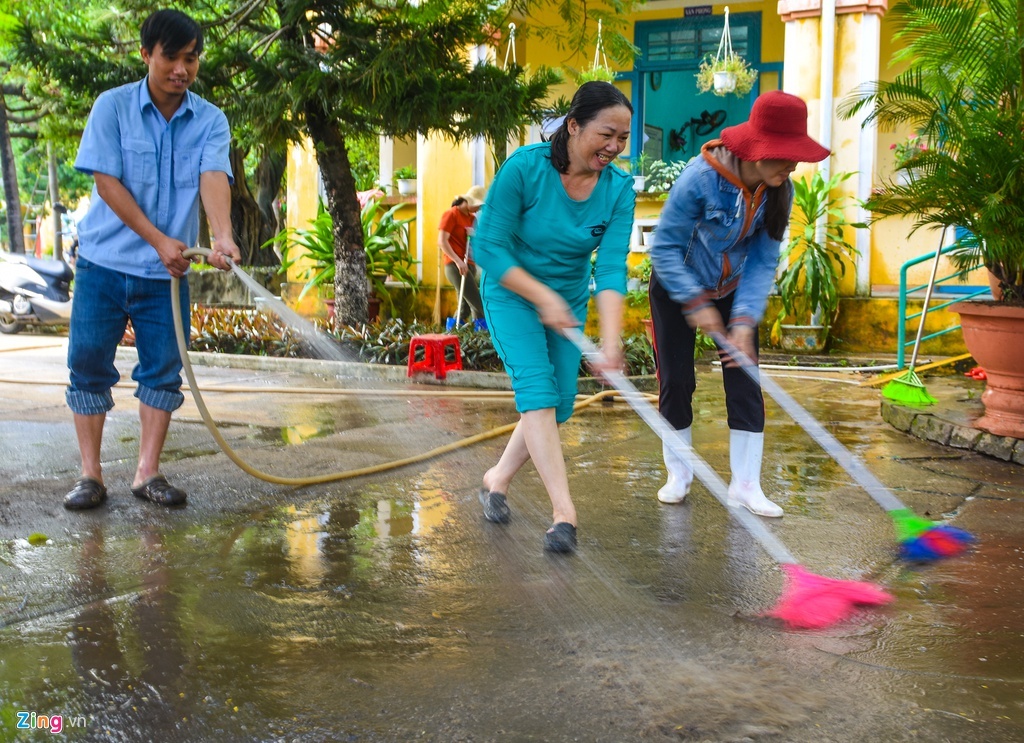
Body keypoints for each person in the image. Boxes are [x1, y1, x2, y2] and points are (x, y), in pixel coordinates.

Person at [63, 9, 240, 511]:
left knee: (162, 370)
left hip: (167, 275)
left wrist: (222, 236)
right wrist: (160, 239)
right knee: (88, 366)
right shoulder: (113, 107)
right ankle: (90, 475)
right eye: (171, 57)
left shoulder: (209, 120)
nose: (181, 69)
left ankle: (147, 473)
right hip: (103, 263)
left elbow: (213, 178)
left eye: (191, 58)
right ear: (147, 55)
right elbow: (106, 182)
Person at [648, 90, 830, 518]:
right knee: (677, 381)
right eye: (785, 156)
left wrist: (744, 320)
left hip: (732, 289)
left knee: (746, 379)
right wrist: (694, 302)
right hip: (676, 286)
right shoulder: (698, 179)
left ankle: (746, 485)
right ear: (755, 149)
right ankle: (679, 474)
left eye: (795, 158)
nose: (792, 166)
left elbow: (764, 260)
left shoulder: (778, 190)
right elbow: (666, 249)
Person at [472, 81, 635, 552]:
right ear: (573, 125)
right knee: (538, 392)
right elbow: (487, 247)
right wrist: (539, 295)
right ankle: (564, 514)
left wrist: (610, 342)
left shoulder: (618, 190)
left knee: (559, 403)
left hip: (566, 298)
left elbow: (609, 269)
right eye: (607, 134)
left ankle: (497, 477)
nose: (614, 147)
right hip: (513, 291)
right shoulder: (525, 169)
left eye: (623, 139)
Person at [438, 185, 486, 326]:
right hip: (455, 266)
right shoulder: (451, 215)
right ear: (469, 202)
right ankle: (482, 334)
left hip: (469, 264)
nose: (479, 209)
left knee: (463, 309)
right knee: (478, 304)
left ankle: (454, 336)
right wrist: (458, 262)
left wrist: (474, 235)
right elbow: (442, 241)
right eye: (478, 205)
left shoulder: (472, 218)